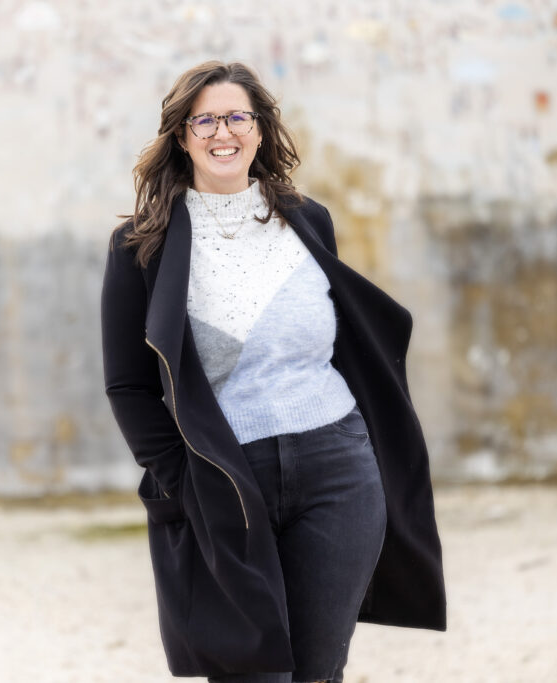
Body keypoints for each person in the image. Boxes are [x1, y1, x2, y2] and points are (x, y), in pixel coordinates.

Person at [100, 61, 446, 683]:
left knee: (316, 672)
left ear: (260, 130)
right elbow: (128, 384)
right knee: (250, 673)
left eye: (237, 116)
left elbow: (344, 347)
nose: (221, 132)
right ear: (182, 136)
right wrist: (183, 480)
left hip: (337, 471)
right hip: (226, 478)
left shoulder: (309, 220)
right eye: (203, 119)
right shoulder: (140, 246)